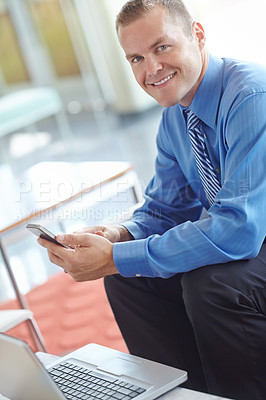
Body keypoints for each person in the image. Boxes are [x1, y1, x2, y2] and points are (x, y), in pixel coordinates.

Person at [38, 1, 266, 399]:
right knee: (129, 277)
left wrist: (114, 256)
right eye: (137, 58)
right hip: (251, 238)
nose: (151, 69)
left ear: (197, 34)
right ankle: (186, 393)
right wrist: (119, 235)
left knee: (211, 285)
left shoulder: (251, 96)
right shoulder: (176, 116)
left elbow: (239, 230)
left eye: (162, 48)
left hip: (255, 232)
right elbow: (165, 208)